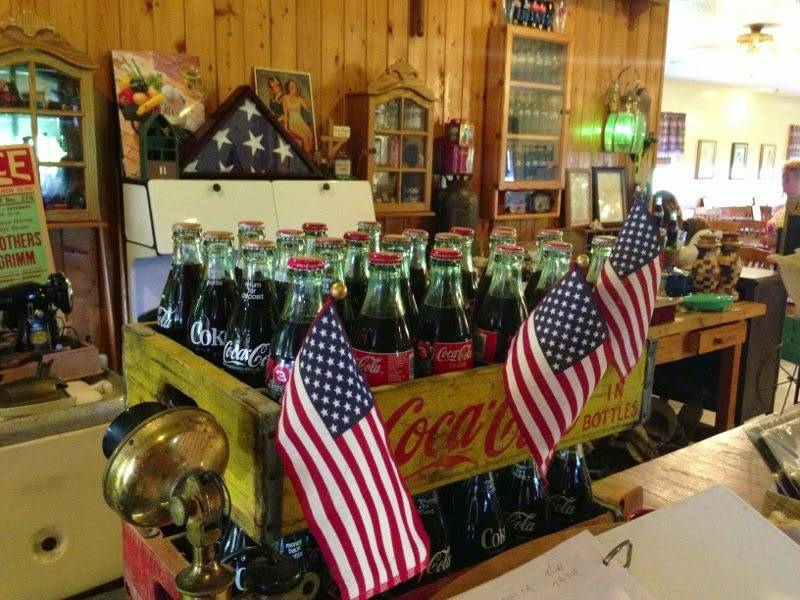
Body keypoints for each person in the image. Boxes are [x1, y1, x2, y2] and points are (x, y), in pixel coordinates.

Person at [281, 79, 314, 153]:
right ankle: (306, 156)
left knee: (311, 136)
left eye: (295, 86)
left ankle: (309, 155)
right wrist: (286, 128)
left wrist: (306, 102)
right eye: (292, 86)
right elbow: (285, 114)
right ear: (288, 88)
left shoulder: (299, 99)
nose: (294, 87)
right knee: (304, 138)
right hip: (293, 123)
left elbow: (308, 110)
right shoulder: (285, 98)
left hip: (301, 122)